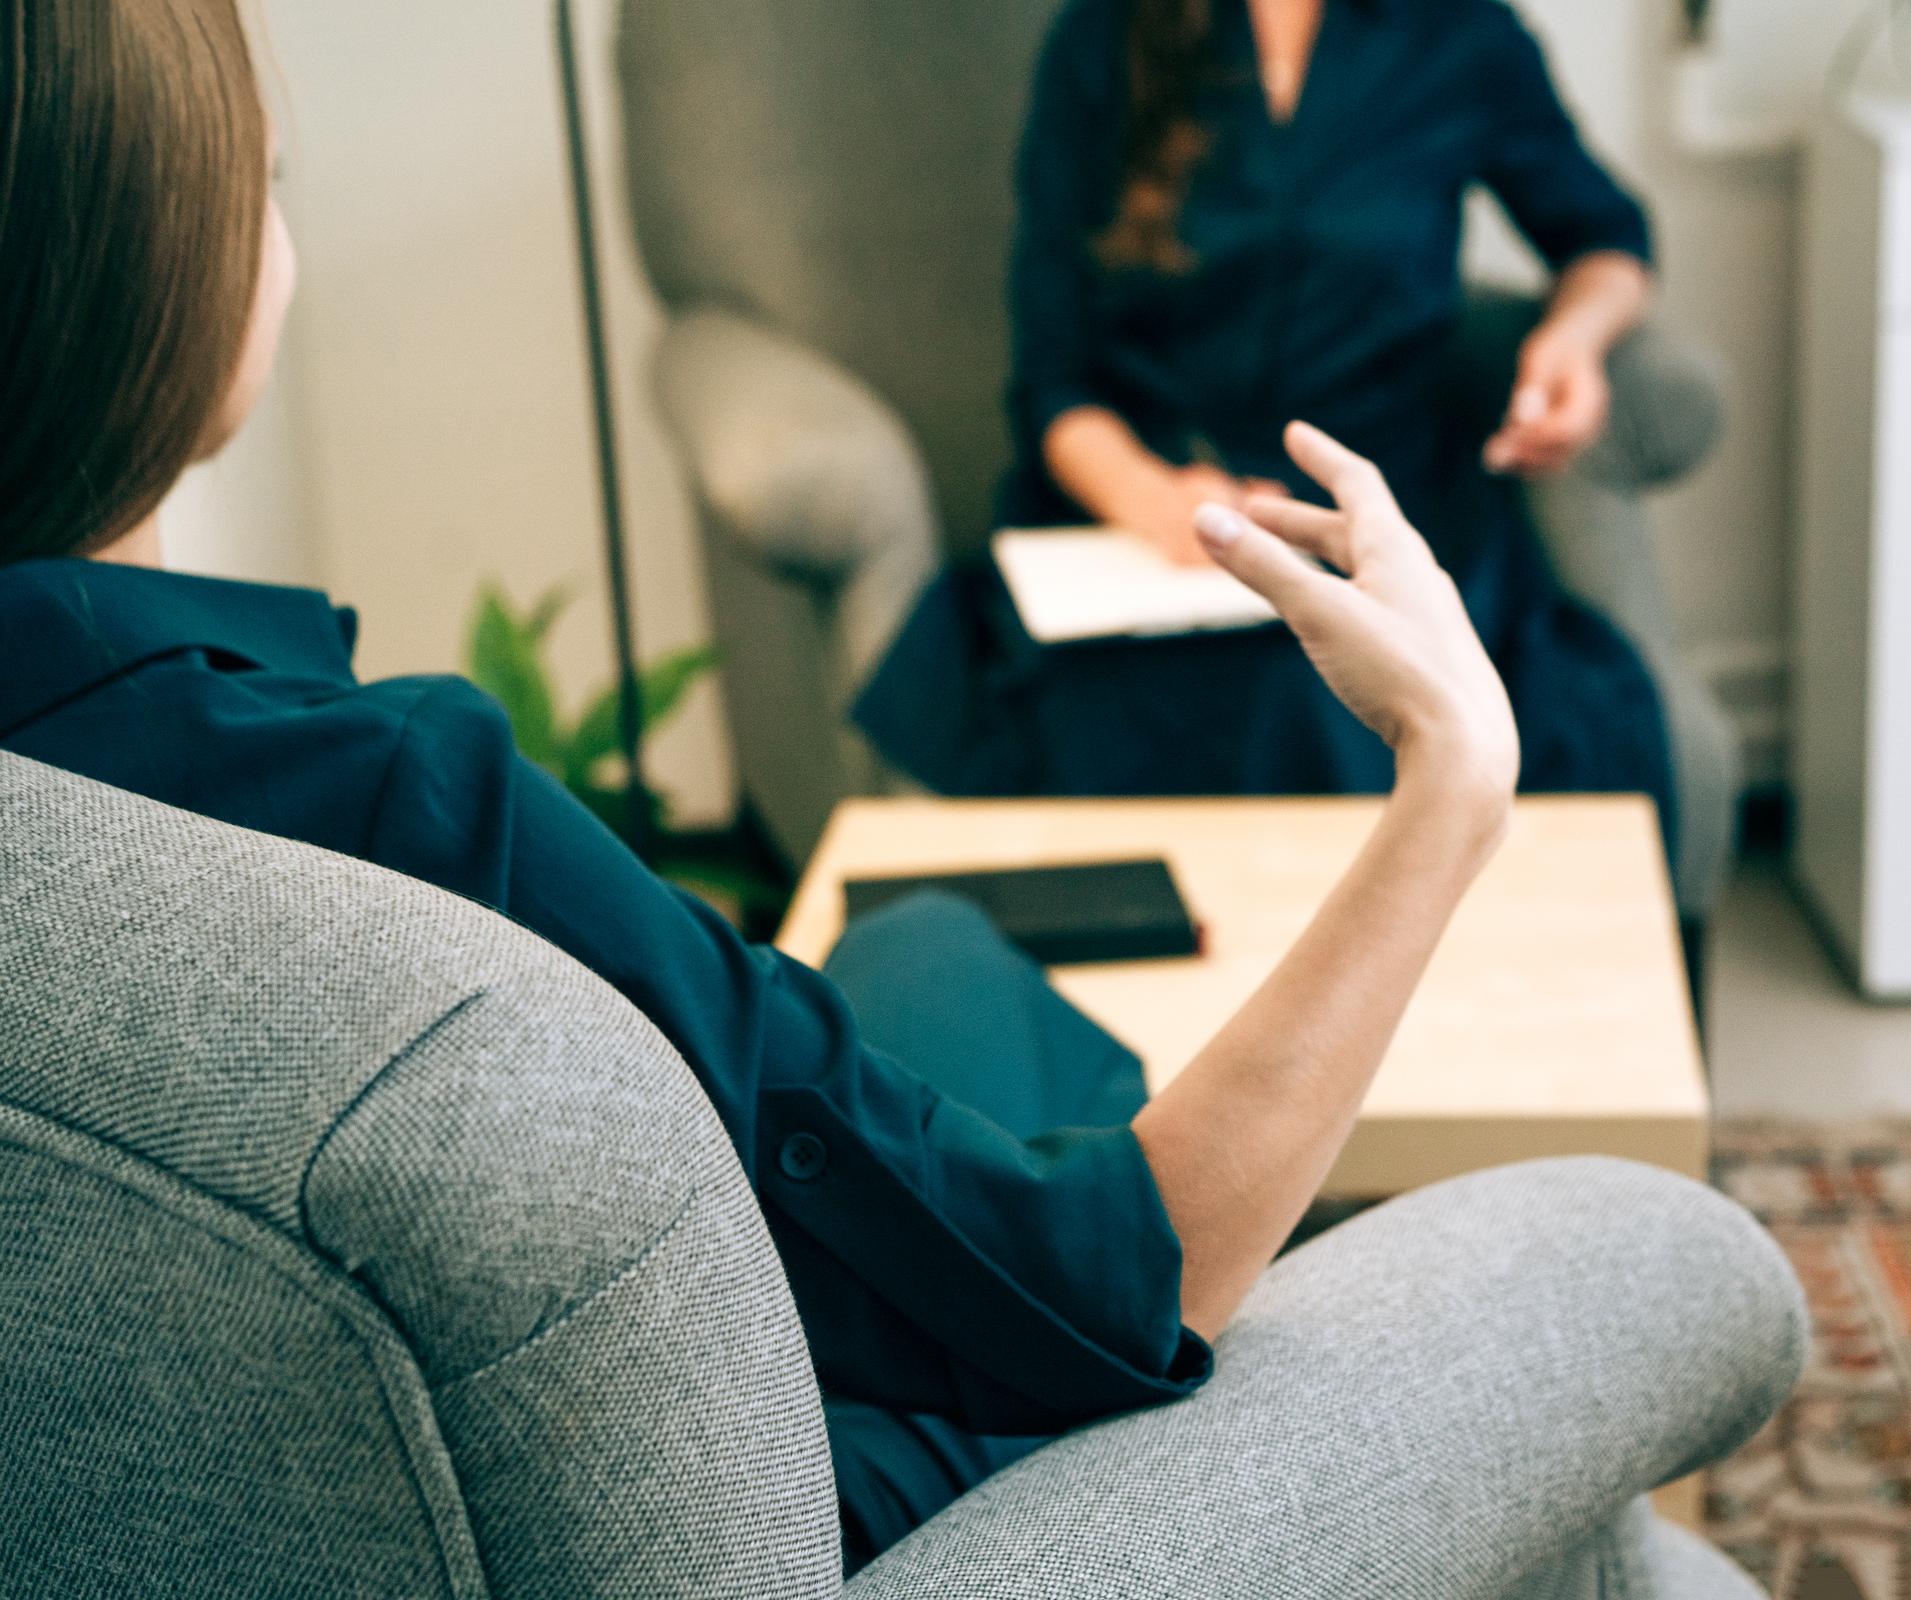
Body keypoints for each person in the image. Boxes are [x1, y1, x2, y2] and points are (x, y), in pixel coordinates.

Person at [0, 0, 1783, 1581]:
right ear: (171, 267)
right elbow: (1121, 1287)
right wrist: (1454, 780)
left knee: (933, 951)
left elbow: (1595, 237)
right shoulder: (404, 817)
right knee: (1638, 1426)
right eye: (274, 182)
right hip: (820, 1514)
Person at [856, 0, 1677, 862]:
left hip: (1378, 510)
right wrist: (1152, 500)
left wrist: (1572, 339)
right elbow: (1051, 377)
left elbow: (1607, 237)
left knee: (1348, 691)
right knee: (1144, 708)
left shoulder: (1461, 34)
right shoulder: (1103, 36)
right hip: (1146, 525)